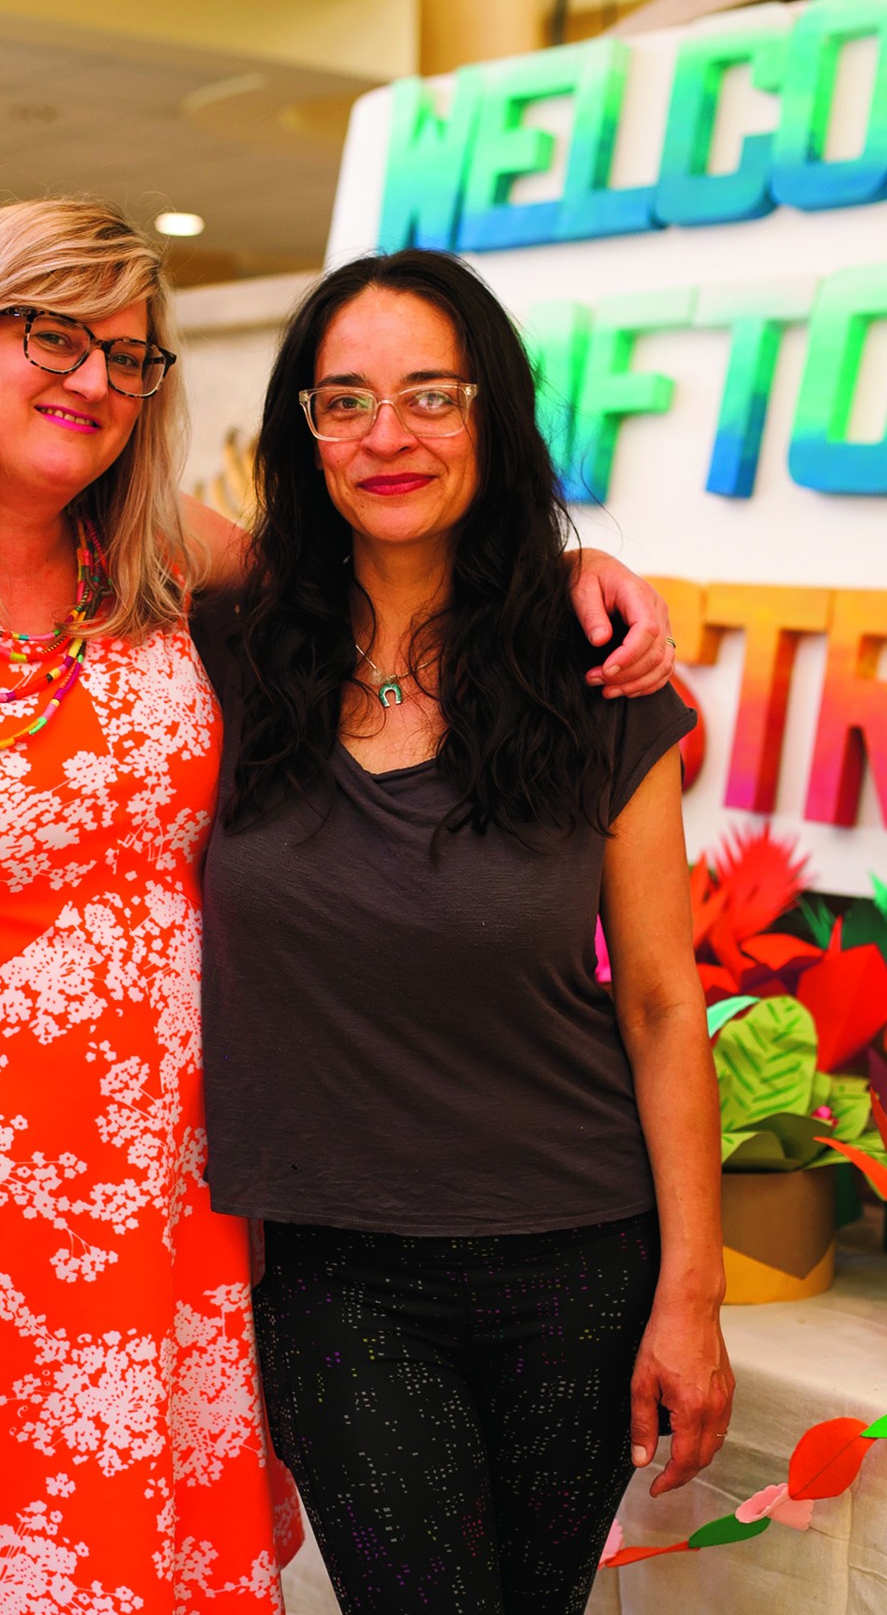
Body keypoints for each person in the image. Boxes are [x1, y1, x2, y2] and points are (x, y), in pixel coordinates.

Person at [0, 199, 667, 1614]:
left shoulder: (153, 549)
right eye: (54, 336)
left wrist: (562, 572)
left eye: (130, 355)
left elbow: (380, 583)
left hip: (169, 1225)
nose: (95, 379)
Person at [191, 248, 733, 1615]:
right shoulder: (224, 652)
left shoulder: (593, 668)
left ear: (495, 414)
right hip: (333, 1268)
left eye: (432, 395)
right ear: (303, 432)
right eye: (346, 401)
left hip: (578, 1257)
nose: (388, 436)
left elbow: (662, 1001)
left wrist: (693, 1296)